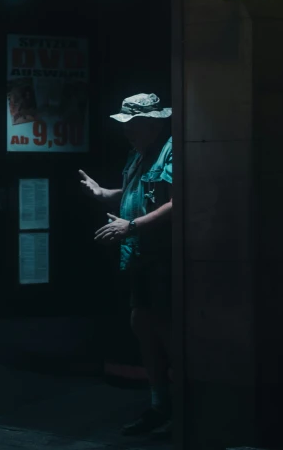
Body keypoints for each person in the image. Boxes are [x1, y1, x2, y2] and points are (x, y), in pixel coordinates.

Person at [80, 93, 173, 437]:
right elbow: (135, 192)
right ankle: (159, 405)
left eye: (133, 124)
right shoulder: (138, 154)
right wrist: (105, 194)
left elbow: (179, 202)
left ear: (152, 122)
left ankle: (176, 407)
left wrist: (131, 226)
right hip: (140, 255)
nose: (127, 131)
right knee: (143, 325)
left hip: (162, 256)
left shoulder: (171, 151)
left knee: (163, 327)